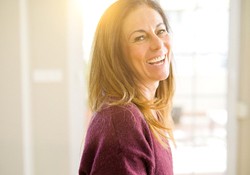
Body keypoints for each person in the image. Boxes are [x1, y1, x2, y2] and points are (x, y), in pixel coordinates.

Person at [79, 0, 175, 174]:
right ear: (116, 54)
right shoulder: (122, 121)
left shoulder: (148, 111)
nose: (158, 44)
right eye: (140, 37)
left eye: (160, 31)